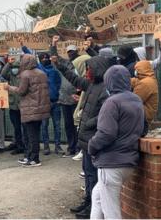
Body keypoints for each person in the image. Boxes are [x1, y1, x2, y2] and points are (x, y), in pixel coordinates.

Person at [52, 54, 111, 218]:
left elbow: (104, 114)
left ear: (98, 70)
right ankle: (87, 201)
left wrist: (89, 123)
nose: (87, 73)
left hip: (93, 138)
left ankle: (93, 205)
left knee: (92, 174)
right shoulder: (92, 85)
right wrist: (60, 65)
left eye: (89, 69)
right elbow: (74, 79)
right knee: (87, 172)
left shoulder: (104, 89)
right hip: (86, 139)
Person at [89, 65, 144, 219]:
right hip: (128, 162)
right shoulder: (136, 100)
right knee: (97, 195)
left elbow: (106, 134)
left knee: (111, 212)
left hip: (111, 163)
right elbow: (143, 128)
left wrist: (91, 146)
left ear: (109, 82)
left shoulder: (111, 102)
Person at [5, 54, 50, 167]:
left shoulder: (25, 75)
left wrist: (10, 88)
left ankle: (33, 158)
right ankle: (29, 157)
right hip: (40, 108)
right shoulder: (42, 73)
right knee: (35, 134)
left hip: (29, 109)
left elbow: (21, 91)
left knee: (30, 135)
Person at [37, 52, 62, 155]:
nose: (45, 59)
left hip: (55, 101)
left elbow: (59, 83)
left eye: (46, 58)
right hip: (44, 102)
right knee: (44, 126)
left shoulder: (55, 71)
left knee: (57, 125)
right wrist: (23, 46)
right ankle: (46, 146)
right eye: (43, 58)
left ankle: (57, 146)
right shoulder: (39, 69)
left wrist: (57, 94)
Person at [2, 57, 24, 155]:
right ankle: (18, 145)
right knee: (16, 127)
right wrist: (8, 64)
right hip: (13, 107)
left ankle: (23, 145)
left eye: (16, 67)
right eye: (13, 67)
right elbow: (3, 74)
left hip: (22, 107)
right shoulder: (10, 75)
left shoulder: (23, 77)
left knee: (23, 128)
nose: (14, 69)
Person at [131, 61, 158, 126]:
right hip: (147, 113)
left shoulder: (145, 83)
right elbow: (135, 81)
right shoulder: (149, 78)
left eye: (136, 69)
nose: (135, 71)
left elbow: (133, 100)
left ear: (140, 70)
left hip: (144, 116)